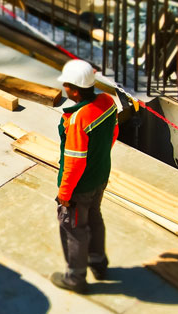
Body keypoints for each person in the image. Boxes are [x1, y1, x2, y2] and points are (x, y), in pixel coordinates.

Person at [50, 59, 120, 293]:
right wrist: (99, 162)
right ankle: (99, 264)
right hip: (100, 176)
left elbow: (74, 161)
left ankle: (75, 278)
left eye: (66, 86)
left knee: (74, 228)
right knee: (95, 217)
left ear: (75, 89)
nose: (64, 89)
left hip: (80, 186)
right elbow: (114, 132)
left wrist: (65, 193)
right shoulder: (108, 102)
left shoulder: (79, 117)